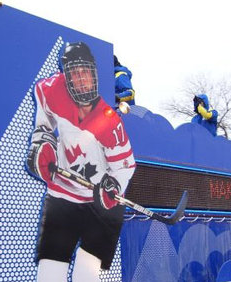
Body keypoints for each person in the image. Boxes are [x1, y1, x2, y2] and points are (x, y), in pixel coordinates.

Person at [26, 42, 136, 282]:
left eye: (86, 72)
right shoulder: (48, 90)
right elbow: (43, 126)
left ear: (94, 74)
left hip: (100, 206)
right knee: (49, 272)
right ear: (67, 77)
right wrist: (42, 145)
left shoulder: (109, 121)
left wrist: (113, 185)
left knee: (85, 274)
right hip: (62, 194)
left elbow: (125, 165)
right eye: (75, 74)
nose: (82, 79)